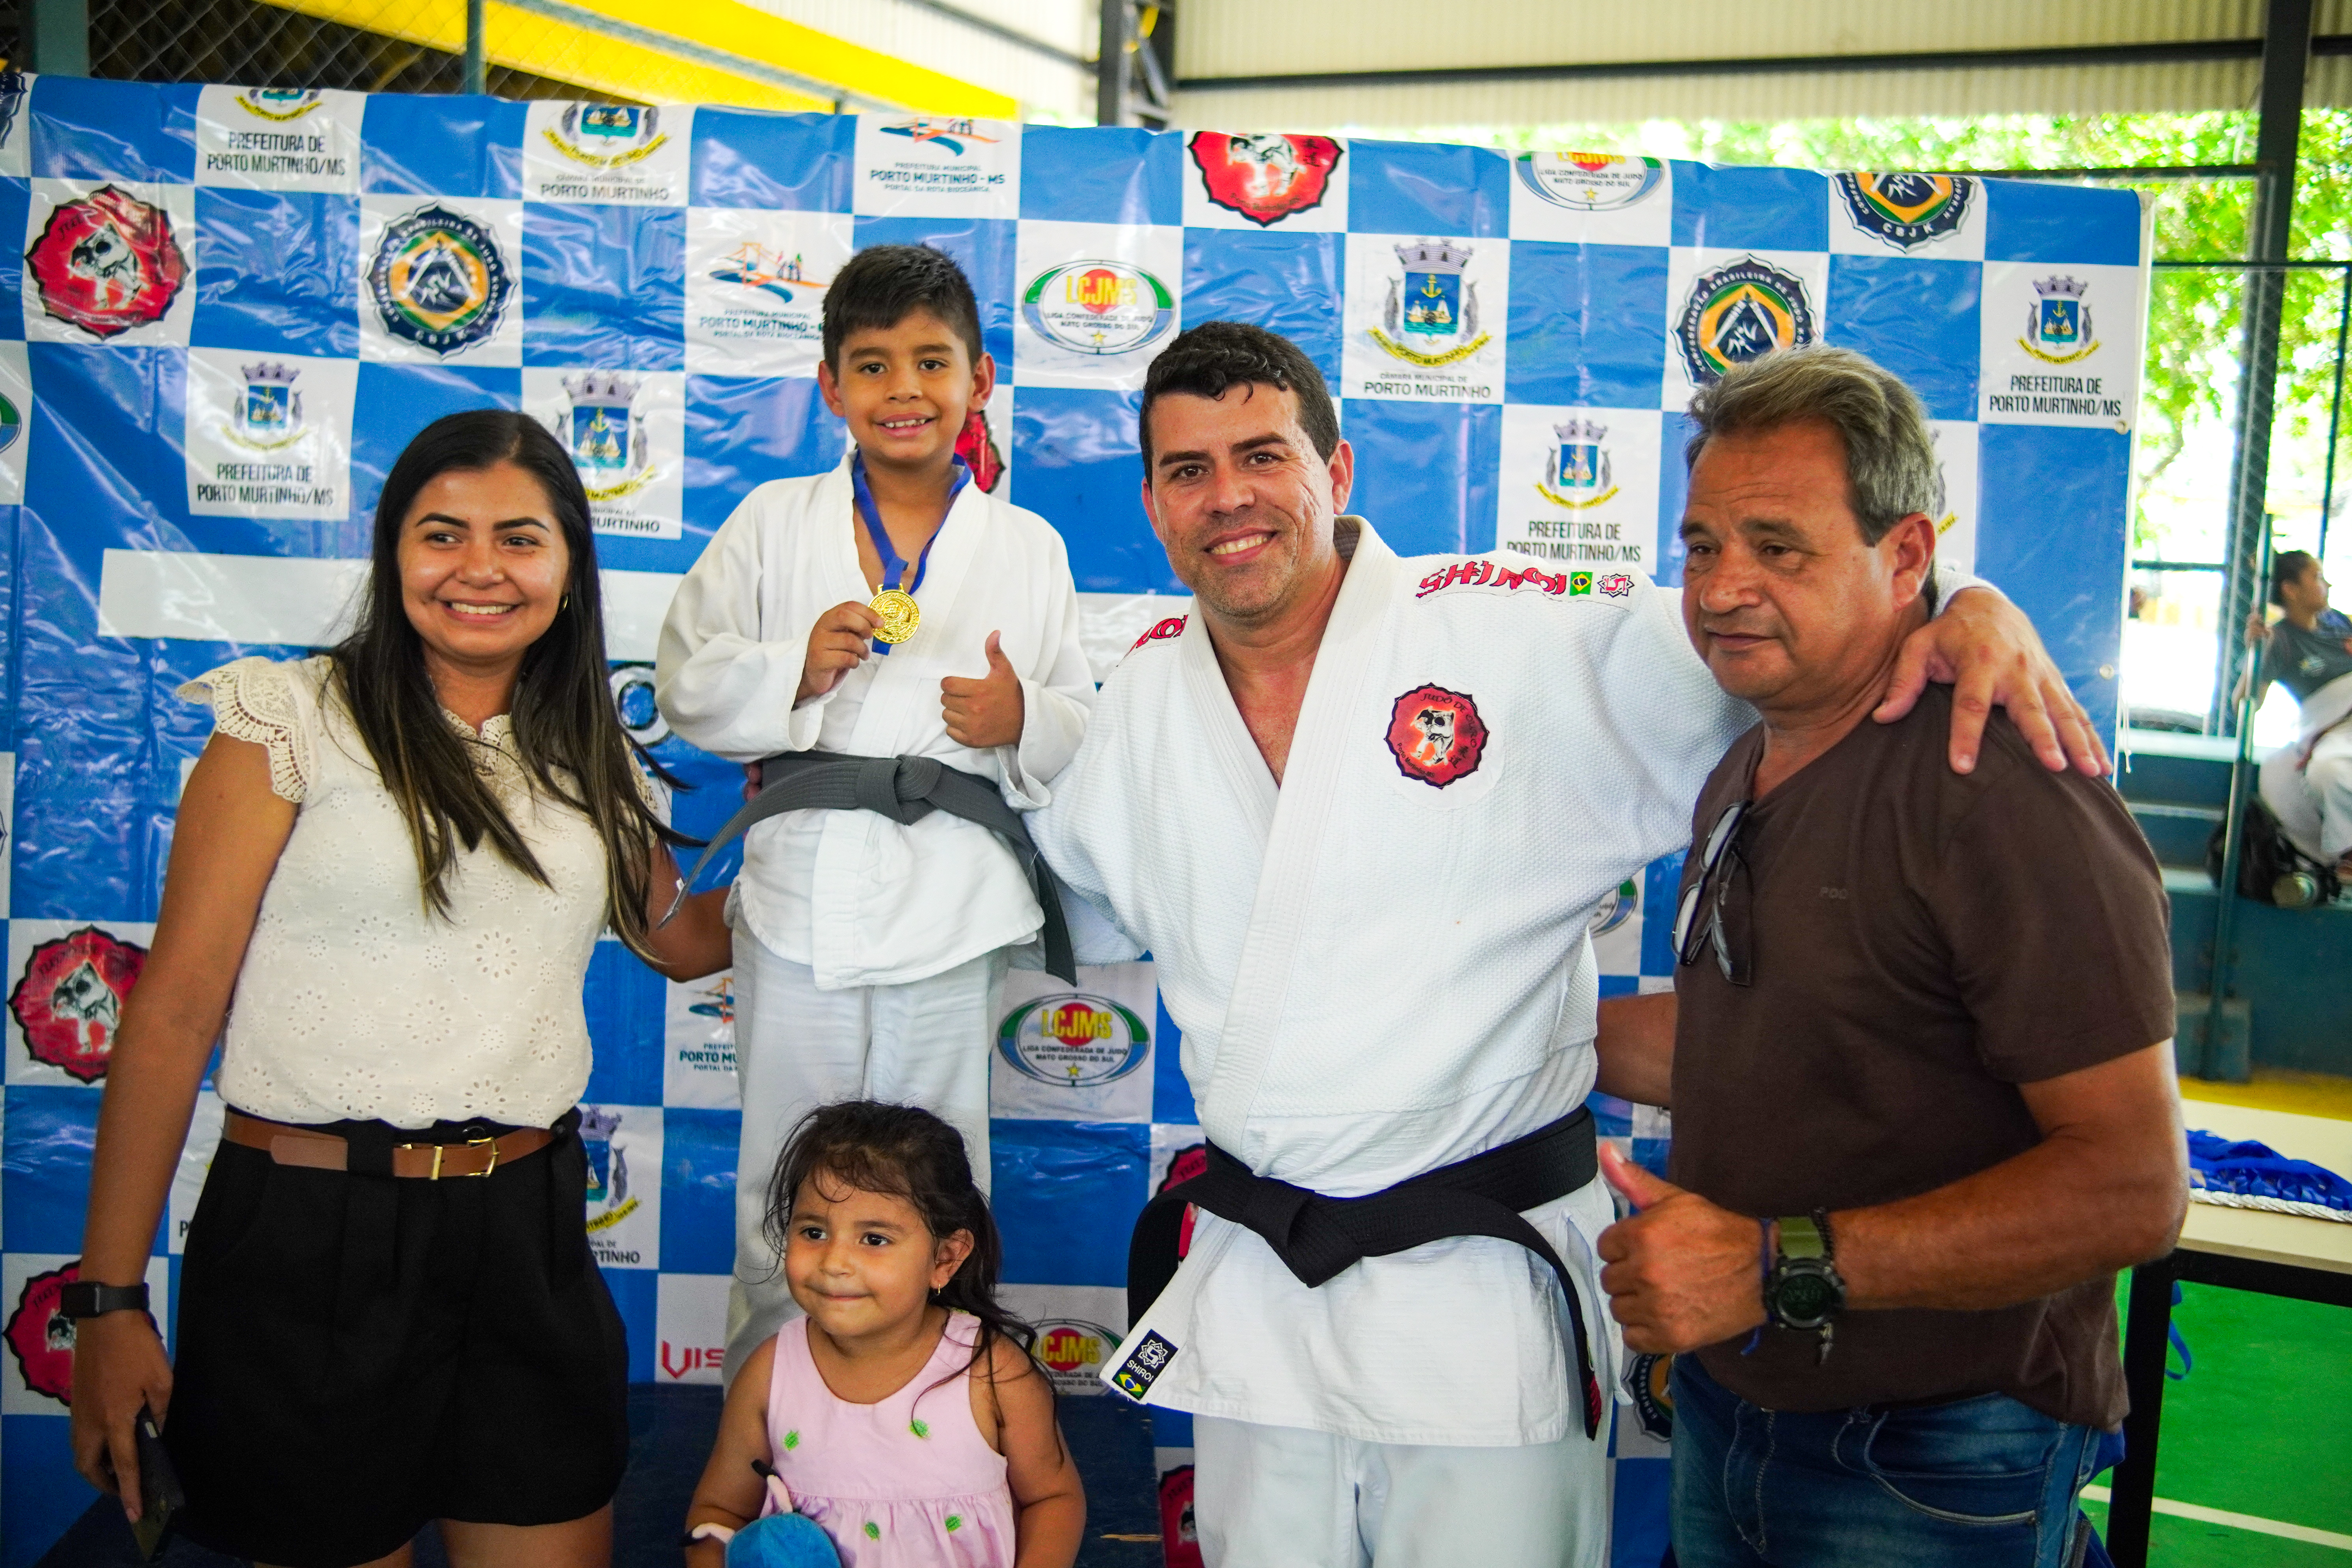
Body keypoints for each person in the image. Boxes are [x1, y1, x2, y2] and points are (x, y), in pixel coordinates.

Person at [1024, 321, 2109, 1568]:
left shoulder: (1509, 634)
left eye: (1262, 455)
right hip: (1265, 1285)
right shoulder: (1144, 707)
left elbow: (1795, 636)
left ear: (1338, 469)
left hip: (1470, 1295)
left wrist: (1960, 607)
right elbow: (1056, 888)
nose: (1228, 498)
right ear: (1154, 504)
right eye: (1186, 470)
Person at [68, 410, 735, 1568]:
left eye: (519, 538)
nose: (480, 568)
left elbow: (680, 939)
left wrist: (841, 818)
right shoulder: (288, 721)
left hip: (523, 1232)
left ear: (572, 571)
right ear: (391, 554)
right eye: (443, 534)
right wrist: (108, 1300)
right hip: (305, 1240)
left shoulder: (593, 751)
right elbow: (173, 1015)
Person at [1590, 345, 2186, 1568]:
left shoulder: (1995, 780)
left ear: (1906, 556)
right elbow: (1766, 1037)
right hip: (1735, 1400)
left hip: (1935, 1449)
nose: (1721, 587)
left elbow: (2132, 1182)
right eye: (1701, 545)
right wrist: (1470, 1038)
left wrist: (1777, 1264)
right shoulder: (1746, 760)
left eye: (1778, 545)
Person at [656, 245, 1096, 1385]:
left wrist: (1019, 714)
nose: (903, 388)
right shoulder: (772, 520)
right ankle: (772, 1426)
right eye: (872, 364)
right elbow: (685, 681)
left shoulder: (1027, 547)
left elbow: (1080, 725)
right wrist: (789, 669)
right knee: (782, 1168)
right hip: (799, 892)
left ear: (980, 379)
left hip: (951, 899)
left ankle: (929, 1419)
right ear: (829, 388)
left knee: (937, 1176)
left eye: (930, 361)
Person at [683, 1101, 1084, 1568]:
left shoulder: (992, 1371)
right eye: (813, 1231)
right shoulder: (770, 1372)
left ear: (946, 1258)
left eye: (874, 1239)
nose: (834, 1262)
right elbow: (718, 1512)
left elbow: (1053, 1499)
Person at [2244, 549, 2352, 877]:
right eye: (2318, 578)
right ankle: (2345, 853)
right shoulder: (2279, 641)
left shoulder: (2341, 623)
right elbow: (2248, 702)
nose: (2327, 584)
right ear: (2291, 590)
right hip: (2334, 730)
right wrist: (2253, 653)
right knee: (2328, 770)